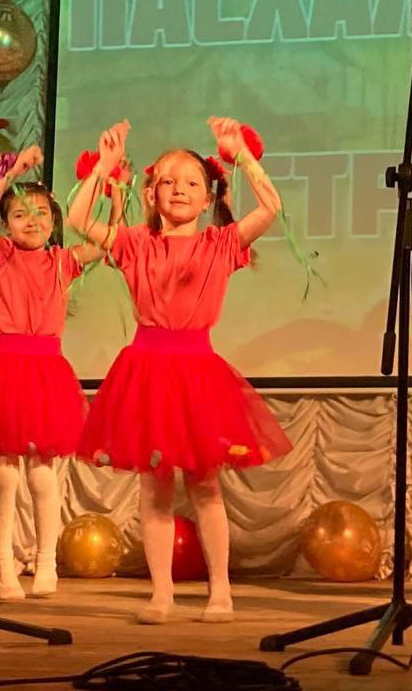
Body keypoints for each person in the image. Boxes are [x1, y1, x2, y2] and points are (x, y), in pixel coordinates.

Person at [69, 118, 292, 624]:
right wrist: (104, 167)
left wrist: (242, 156)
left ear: (209, 195)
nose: (179, 190)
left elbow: (271, 208)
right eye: (168, 181)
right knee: (155, 489)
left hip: (197, 373)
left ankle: (221, 591)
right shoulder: (134, 243)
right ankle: (162, 594)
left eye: (192, 182)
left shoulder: (221, 243)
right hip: (146, 372)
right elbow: (79, 219)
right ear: (150, 193)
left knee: (206, 486)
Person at [0, 145, 117, 600]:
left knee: (43, 472)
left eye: (41, 213)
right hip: (4, 367)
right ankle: (5, 567)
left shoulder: (63, 261)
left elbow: (109, 242)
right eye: (20, 214)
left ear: (54, 221)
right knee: (3, 471)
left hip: (46, 371)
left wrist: (112, 190)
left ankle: (46, 563)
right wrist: (11, 172)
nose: (32, 221)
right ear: (6, 225)